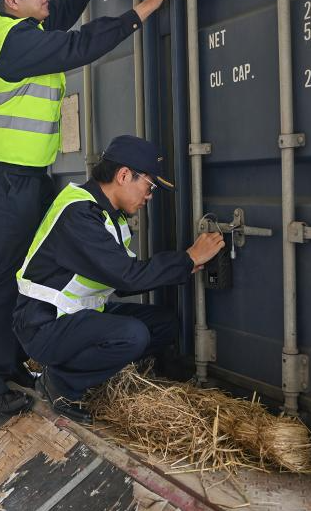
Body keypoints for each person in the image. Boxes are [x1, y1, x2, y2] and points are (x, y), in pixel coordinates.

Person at [0, 0, 174, 415]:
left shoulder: (26, 26)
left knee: (28, 267)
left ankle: (22, 358)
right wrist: (144, 8)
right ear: (12, 1)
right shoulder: (14, 42)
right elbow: (80, 44)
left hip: (27, 174)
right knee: (3, 273)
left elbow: (63, 8)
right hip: (5, 177)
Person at [12, 135, 225, 424]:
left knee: (164, 324)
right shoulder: (80, 213)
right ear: (124, 175)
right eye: (149, 186)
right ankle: (60, 382)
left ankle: (88, 372)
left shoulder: (111, 216)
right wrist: (187, 258)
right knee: (132, 335)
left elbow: (120, 282)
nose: (149, 196)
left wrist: (184, 267)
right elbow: (127, 277)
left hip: (75, 315)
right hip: (43, 323)